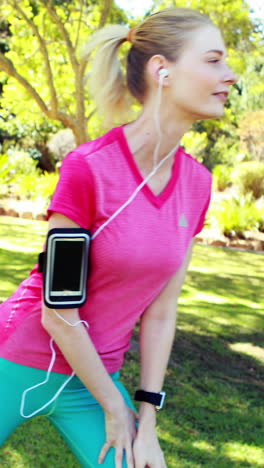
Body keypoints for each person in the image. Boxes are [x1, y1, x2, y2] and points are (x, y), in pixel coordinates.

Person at [0, 7, 237, 468]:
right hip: (15, 360)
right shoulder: (89, 169)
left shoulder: (197, 185)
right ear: (162, 70)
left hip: (92, 381)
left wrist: (145, 420)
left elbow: (162, 313)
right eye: (213, 60)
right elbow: (58, 313)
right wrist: (114, 407)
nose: (229, 76)